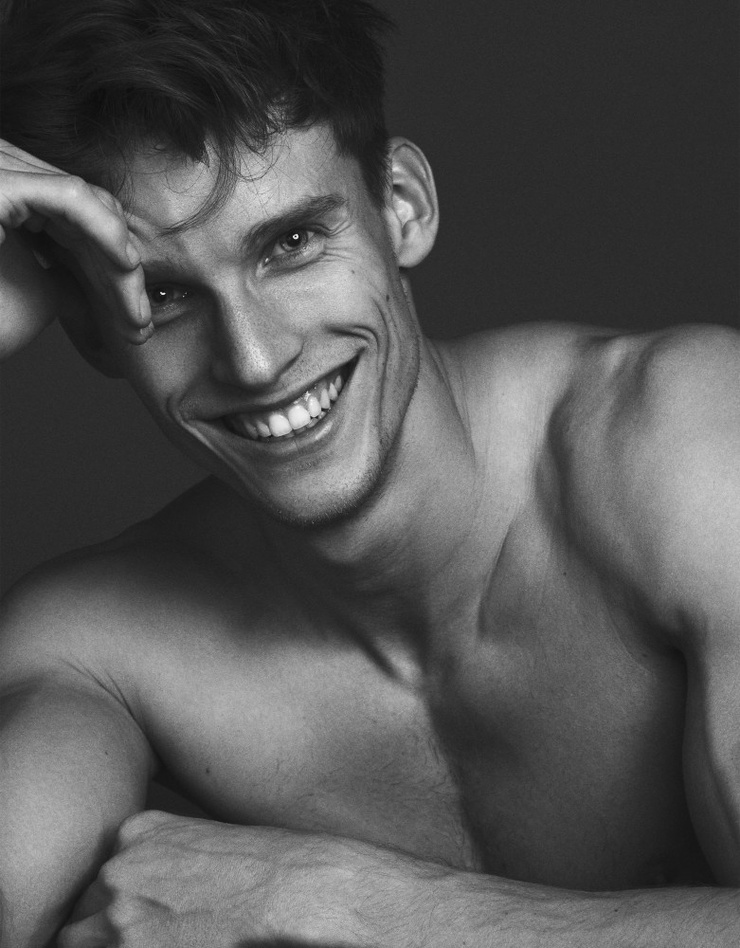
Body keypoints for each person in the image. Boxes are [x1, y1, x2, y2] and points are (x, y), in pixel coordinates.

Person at [0, 0, 738, 944]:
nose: (255, 359)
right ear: (94, 330)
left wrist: (345, 904)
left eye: (291, 244)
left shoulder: (686, 445)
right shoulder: (97, 650)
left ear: (402, 207)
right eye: (167, 295)